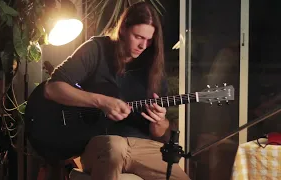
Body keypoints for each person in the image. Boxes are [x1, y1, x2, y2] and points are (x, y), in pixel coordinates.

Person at [31, 2, 190, 180]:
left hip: (143, 146)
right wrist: (102, 102)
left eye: (149, 40)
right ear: (123, 29)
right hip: (103, 144)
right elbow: (52, 89)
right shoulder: (97, 50)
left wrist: (159, 122)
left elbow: (160, 134)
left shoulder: (153, 66)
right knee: (115, 147)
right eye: (138, 37)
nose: (143, 45)